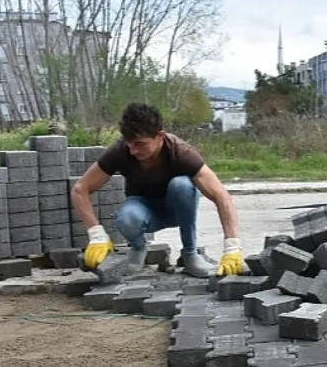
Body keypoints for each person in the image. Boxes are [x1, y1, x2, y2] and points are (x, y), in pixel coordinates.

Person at [70, 103, 245, 278]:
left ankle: (190, 254)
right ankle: (139, 248)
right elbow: (80, 190)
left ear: (160, 136)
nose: (133, 150)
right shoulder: (121, 151)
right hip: (144, 212)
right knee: (127, 217)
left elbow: (222, 196)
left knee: (181, 185)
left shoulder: (181, 152)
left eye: (140, 144)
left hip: (176, 209)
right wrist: (96, 234)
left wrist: (232, 248)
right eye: (129, 144)